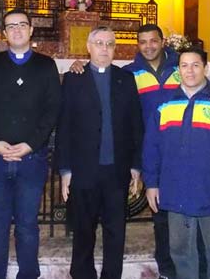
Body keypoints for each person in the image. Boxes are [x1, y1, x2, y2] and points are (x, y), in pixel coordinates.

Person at [69, 24, 210, 279]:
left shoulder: (180, 67)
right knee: (163, 219)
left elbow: (206, 89)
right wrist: (78, 65)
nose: (148, 46)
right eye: (143, 42)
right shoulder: (130, 73)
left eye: (153, 41)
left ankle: (201, 271)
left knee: (199, 221)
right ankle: (168, 271)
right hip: (155, 153)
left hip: (187, 152)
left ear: (162, 41)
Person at [0, 9, 61, 279]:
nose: (17, 30)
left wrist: (31, 144)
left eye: (22, 25)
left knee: (27, 224)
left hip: (31, 159)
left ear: (31, 30)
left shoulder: (46, 65)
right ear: (5, 33)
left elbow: (52, 110)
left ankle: (28, 274)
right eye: (11, 26)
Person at [142, 46, 210, 279]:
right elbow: (151, 147)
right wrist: (151, 183)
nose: (189, 71)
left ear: (205, 68)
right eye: (184, 65)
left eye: (195, 65)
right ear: (178, 70)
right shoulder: (165, 104)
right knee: (181, 254)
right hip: (175, 194)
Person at [56, 26, 144, 279]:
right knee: (83, 230)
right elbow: (64, 126)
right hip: (84, 169)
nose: (105, 49)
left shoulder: (126, 79)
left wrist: (136, 166)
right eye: (99, 43)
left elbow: (136, 125)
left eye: (110, 44)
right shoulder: (74, 79)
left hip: (116, 169)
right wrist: (65, 169)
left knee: (116, 231)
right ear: (89, 47)